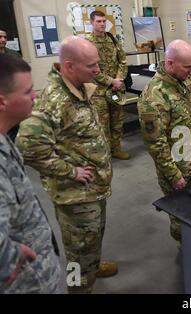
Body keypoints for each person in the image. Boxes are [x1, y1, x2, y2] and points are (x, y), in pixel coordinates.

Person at [16, 36, 116, 294]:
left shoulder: (80, 87)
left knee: (91, 239)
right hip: (75, 195)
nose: (98, 70)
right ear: (69, 66)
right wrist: (70, 171)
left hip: (93, 189)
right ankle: (78, 288)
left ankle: (91, 268)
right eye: (91, 66)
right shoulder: (54, 100)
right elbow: (28, 147)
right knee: (77, 250)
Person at [137, 40, 191, 245]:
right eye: (187, 66)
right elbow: (155, 143)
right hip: (179, 169)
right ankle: (186, 248)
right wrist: (173, 175)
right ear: (170, 63)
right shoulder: (154, 95)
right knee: (182, 215)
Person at [0, 53, 61, 293]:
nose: (35, 97)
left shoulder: (5, 140)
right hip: (26, 283)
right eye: (27, 92)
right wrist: (13, 257)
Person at [86, 11, 130, 160]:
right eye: (98, 21)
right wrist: (111, 81)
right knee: (102, 124)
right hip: (98, 92)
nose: (102, 24)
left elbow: (122, 62)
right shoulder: (87, 43)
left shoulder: (112, 39)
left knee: (117, 121)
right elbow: (91, 69)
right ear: (91, 22)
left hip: (116, 88)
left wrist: (119, 79)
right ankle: (104, 153)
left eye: (104, 21)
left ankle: (116, 149)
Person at [1, 29, 22, 141]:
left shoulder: (14, 55)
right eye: (0, 37)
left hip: (13, 94)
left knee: (15, 125)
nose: (3, 40)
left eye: (5, 37)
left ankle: (13, 150)